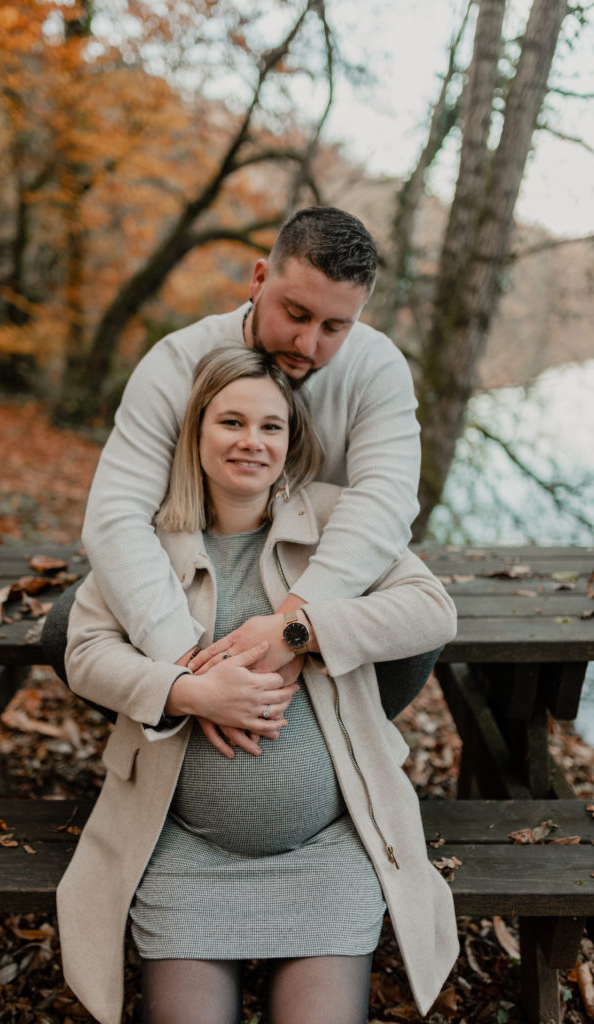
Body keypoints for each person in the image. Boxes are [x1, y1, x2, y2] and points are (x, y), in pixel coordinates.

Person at [57, 348, 459, 1024]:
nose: (251, 442)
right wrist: (187, 692)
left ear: (291, 440)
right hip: (184, 850)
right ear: (197, 433)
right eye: (231, 422)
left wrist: (298, 631)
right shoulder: (147, 541)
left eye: (271, 427)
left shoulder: (334, 523)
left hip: (328, 853)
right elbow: (86, 651)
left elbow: (432, 610)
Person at [42, 206, 441, 731]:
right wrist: (190, 672)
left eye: (335, 327)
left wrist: (295, 624)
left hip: (314, 569)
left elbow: (385, 501)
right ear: (258, 279)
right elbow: (116, 514)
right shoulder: (175, 363)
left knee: (411, 643)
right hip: (195, 568)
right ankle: (188, 743)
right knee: (64, 628)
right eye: (296, 314)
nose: (308, 345)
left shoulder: (378, 367)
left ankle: (323, 746)